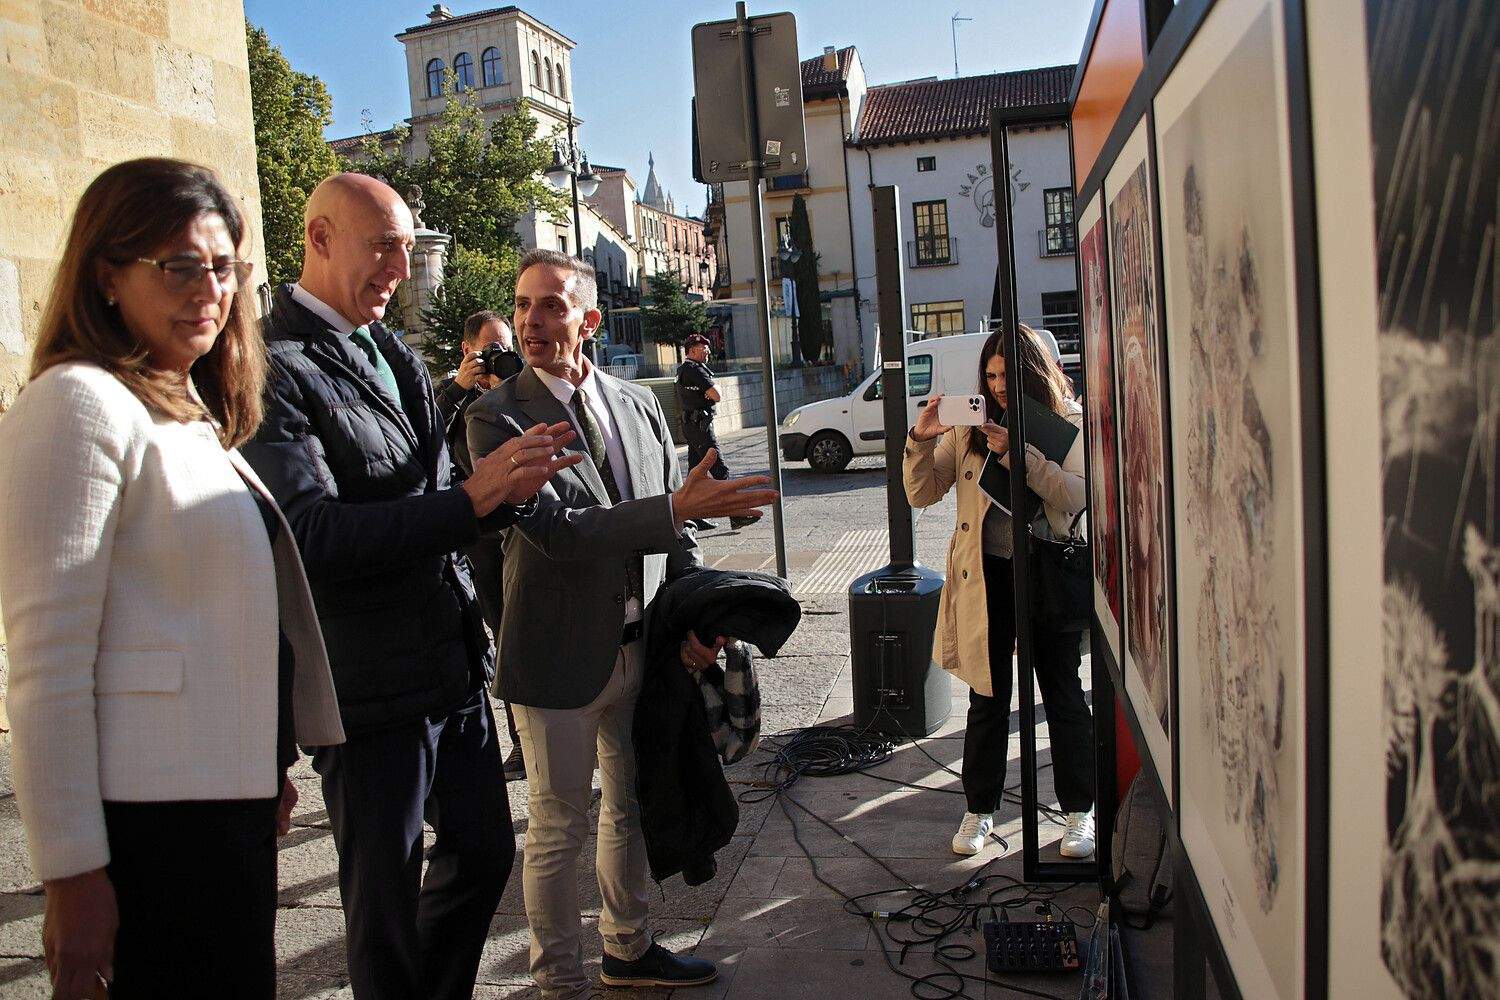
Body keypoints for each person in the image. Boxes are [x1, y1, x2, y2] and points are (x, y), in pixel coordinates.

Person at [0, 157, 344, 999]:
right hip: (145, 829)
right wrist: (72, 876)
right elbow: (46, 666)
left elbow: (207, 621)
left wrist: (261, 768)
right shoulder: (79, 402)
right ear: (107, 275)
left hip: (220, 810)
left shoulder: (182, 407)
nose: (210, 289)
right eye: (180, 266)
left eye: (225, 267)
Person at [241, 174, 581, 1000]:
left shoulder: (391, 348)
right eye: (382, 245)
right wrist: (474, 496)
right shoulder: (268, 365)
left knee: (485, 851)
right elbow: (312, 534)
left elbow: (439, 499)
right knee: (383, 906)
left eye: (406, 244)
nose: (401, 263)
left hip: (449, 662)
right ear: (319, 239)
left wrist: (504, 496)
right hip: (366, 689)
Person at [466, 249, 778, 999]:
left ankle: (628, 952)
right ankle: (559, 983)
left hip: (643, 647)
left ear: (590, 320)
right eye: (523, 305)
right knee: (555, 828)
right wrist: (676, 511)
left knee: (631, 808)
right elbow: (557, 531)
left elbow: (682, 525)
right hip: (554, 658)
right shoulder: (494, 415)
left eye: (551, 305)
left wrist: (699, 615)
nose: (533, 321)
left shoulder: (639, 404)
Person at [903, 326, 1096, 859]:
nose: (998, 386)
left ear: (1033, 372)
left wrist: (1020, 455)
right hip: (987, 576)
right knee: (988, 701)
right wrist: (920, 438)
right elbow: (921, 493)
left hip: (1048, 572)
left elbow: (1078, 496)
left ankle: (1080, 814)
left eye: (1007, 375)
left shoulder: (1066, 424)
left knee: (1062, 694)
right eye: (989, 376)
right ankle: (979, 810)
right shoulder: (968, 429)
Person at [435, 310, 527, 779]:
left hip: (524, 531)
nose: (498, 359)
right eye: (488, 350)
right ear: (467, 352)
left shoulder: (519, 389)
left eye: (504, 349)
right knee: (504, 635)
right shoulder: (447, 397)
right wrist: (458, 388)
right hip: (483, 542)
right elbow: (422, 439)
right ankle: (520, 739)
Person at [675, 333, 754, 531]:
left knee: (696, 472)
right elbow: (716, 395)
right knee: (719, 470)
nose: (708, 350)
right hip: (700, 427)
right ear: (692, 350)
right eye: (703, 347)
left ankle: (693, 516)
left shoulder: (686, 369)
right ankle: (737, 515)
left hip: (694, 426)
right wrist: (713, 387)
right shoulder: (695, 370)